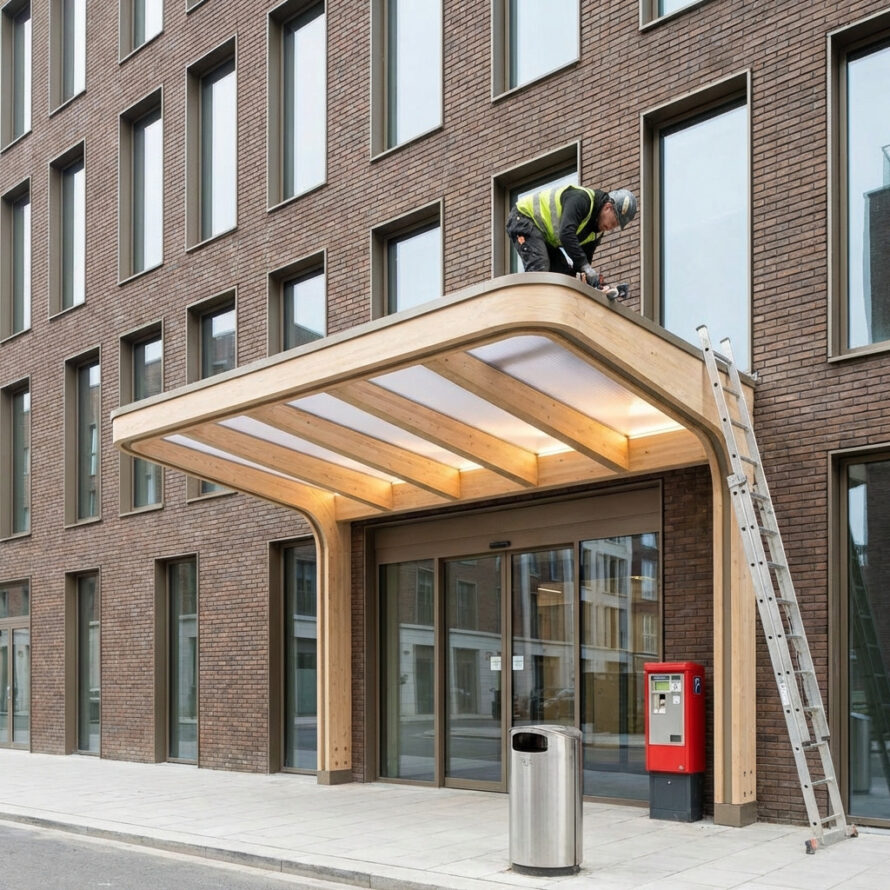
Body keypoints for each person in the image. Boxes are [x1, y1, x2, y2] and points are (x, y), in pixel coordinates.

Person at [506, 185, 637, 291]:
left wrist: (596, 284)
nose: (611, 228)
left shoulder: (595, 234)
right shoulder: (582, 199)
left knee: (564, 276)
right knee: (539, 267)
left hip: (544, 236)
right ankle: (531, 313)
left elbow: (581, 267)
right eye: (613, 222)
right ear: (608, 207)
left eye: (615, 226)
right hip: (523, 218)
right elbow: (566, 234)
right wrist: (586, 267)